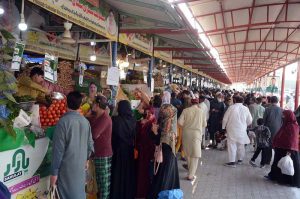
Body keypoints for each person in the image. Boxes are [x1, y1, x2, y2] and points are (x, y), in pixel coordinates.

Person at [50, 91, 94, 199]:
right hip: (80, 168)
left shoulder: (63, 122)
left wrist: (54, 173)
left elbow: (58, 151)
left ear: (66, 103)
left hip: (66, 169)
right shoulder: (85, 122)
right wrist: (86, 160)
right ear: (80, 105)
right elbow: (90, 145)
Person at [148, 104, 180, 199]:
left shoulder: (167, 126)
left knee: (162, 180)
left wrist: (155, 133)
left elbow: (161, 142)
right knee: (166, 178)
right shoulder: (170, 123)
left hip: (165, 156)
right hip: (168, 156)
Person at [267, 110, 300, 188]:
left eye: (284, 116)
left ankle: (287, 181)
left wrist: (289, 151)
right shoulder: (286, 125)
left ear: (289, 116)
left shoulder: (292, 126)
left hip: (288, 150)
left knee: (287, 165)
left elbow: (293, 140)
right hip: (281, 149)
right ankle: (276, 177)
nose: (282, 117)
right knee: (279, 164)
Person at [110, 100, 136, 199]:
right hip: (129, 150)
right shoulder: (133, 120)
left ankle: (117, 194)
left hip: (118, 150)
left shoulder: (115, 120)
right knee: (128, 172)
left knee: (118, 172)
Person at [89, 96, 112, 199]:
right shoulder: (96, 117)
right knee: (97, 184)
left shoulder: (105, 118)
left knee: (103, 185)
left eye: (93, 104)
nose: (91, 105)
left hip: (103, 155)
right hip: (96, 154)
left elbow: (94, 134)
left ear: (97, 105)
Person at [178, 98, 207, 180]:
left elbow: (180, 122)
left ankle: (190, 172)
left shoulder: (185, 110)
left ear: (191, 103)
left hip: (186, 134)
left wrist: (186, 126)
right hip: (196, 134)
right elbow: (204, 124)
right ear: (197, 103)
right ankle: (191, 175)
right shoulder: (201, 111)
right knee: (195, 154)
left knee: (188, 153)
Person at [222, 96, 252, 167]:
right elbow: (250, 120)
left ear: (234, 100)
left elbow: (225, 119)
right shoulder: (246, 108)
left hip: (231, 129)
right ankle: (240, 160)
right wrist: (244, 125)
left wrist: (223, 128)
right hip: (242, 130)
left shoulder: (231, 108)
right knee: (241, 145)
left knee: (232, 145)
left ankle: (232, 162)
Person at [136, 107, 156, 198]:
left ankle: (145, 192)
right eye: (147, 112)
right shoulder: (145, 122)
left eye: (150, 113)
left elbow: (152, 139)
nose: (148, 114)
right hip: (142, 151)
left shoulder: (152, 123)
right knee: (142, 172)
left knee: (146, 173)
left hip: (147, 153)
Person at [263, 96, 282, 165]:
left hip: (268, 130)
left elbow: (264, 120)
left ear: (270, 101)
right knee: (276, 146)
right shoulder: (281, 109)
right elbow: (282, 121)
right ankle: (277, 161)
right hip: (278, 130)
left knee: (268, 146)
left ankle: (268, 160)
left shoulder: (267, 109)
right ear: (277, 101)